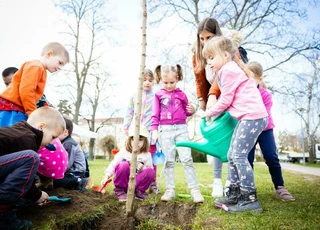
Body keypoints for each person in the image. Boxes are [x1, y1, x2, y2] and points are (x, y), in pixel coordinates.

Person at [202, 36, 268, 213]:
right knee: (232, 153)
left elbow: (226, 99)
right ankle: (234, 193)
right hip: (248, 117)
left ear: (224, 55)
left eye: (211, 58)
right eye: (206, 59)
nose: (208, 63)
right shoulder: (228, 69)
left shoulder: (228, 70)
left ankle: (249, 198)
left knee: (238, 155)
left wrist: (208, 112)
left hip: (253, 117)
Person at [192, 18, 248, 197]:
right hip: (213, 98)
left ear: (216, 34)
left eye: (208, 37)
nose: (204, 42)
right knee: (216, 141)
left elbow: (223, 74)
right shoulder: (197, 52)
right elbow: (199, 77)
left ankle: (234, 183)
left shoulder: (227, 49)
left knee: (234, 142)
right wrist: (202, 97)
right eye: (201, 38)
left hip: (229, 96)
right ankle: (217, 182)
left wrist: (213, 95)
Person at [0, 106, 66, 229]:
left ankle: (12, 202)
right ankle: (3, 212)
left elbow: (16, 176)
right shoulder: (27, 138)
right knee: (31, 158)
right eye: (53, 137)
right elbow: (26, 180)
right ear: (41, 126)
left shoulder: (20, 131)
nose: (51, 143)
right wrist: (38, 195)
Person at [151, 64, 204, 203]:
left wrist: (192, 110)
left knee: (186, 159)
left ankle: (195, 190)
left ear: (178, 79)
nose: (168, 85)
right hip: (165, 130)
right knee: (169, 161)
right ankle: (170, 190)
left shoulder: (182, 94)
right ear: (161, 80)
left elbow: (187, 112)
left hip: (181, 129)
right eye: (165, 82)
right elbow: (154, 114)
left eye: (172, 82)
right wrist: (155, 130)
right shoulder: (158, 95)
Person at [246, 61, 295, 201]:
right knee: (247, 159)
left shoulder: (265, 95)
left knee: (271, 157)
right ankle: (248, 189)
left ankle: (280, 187)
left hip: (264, 129)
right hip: (248, 130)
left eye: (250, 79)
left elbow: (263, 114)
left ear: (259, 79)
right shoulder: (243, 94)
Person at [0, 42, 69, 127]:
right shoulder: (36, 66)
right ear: (49, 54)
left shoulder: (40, 69)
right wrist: (33, 114)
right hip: (12, 109)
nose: (60, 68)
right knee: (11, 137)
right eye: (60, 62)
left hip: (17, 108)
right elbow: (26, 91)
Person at [123, 69, 160, 194]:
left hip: (150, 131)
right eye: (144, 80)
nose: (147, 83)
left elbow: (158, 114)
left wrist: (157, 130)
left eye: (150, 80)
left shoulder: (156, 96)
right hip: (137, 131)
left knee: (152, 157)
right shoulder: (135, 96)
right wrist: (126, 127)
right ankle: (132, 179)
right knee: (135, 155)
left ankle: (152, 182)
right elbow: (129, 112)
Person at [101, 125, 155, 202]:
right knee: (124, 165)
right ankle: (119, 190)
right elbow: (113, 164)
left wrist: (143, 168)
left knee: (151, 171)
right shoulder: (124, 152)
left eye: (140, 140)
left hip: (136, 183)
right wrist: (106, 176)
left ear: (145, 141)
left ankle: (139, 192)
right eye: (134, 139)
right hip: (124, 182)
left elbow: (150, 172)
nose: (137, 142)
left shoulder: (146, 155)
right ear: (129, 140)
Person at [53, 117, 88, 192]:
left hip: (76, 172)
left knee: (56, 181)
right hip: (70, 171)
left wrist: (55, 173)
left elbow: (66, 164)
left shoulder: (68, 144)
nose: (53, 134)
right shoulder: (65, 142)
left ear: (65, 132)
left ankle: (78, 182)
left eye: (56, 131)